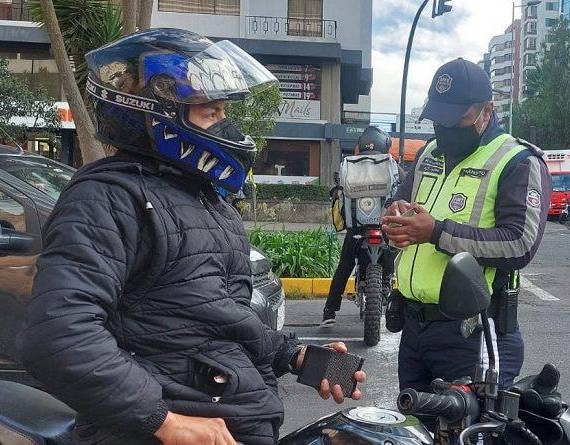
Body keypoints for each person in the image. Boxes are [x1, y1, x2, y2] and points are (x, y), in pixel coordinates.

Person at [21, 29, 364, 445]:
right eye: (209, 113)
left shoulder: (204, 199)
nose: (226, 126)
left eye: (222, 112)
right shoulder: (107, 199)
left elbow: (216, 318)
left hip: (236, 418)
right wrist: (166, 421)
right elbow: (57, 334)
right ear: (154, 116)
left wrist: (294, 355)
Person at [382, 58, 551, 395]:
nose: (443, 129)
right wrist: (394, 216)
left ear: (486, 111)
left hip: (473, 334)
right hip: (414, 328)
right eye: (437, 119)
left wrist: (435, 233)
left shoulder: (517, 162)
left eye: (453, 119)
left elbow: (519, 243)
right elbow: (397, 201)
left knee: (466, 433)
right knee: (416, 431)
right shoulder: (429, 154)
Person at [322, 126, 400, 326]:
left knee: (344, 266)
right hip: (383, 227)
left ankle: (329, 311)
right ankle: (388, 284)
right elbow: (404, 186)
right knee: (392, 253)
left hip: (356, 229)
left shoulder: (349, 164)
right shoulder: (391, 164)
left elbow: (338, 190)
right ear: (385, 145)